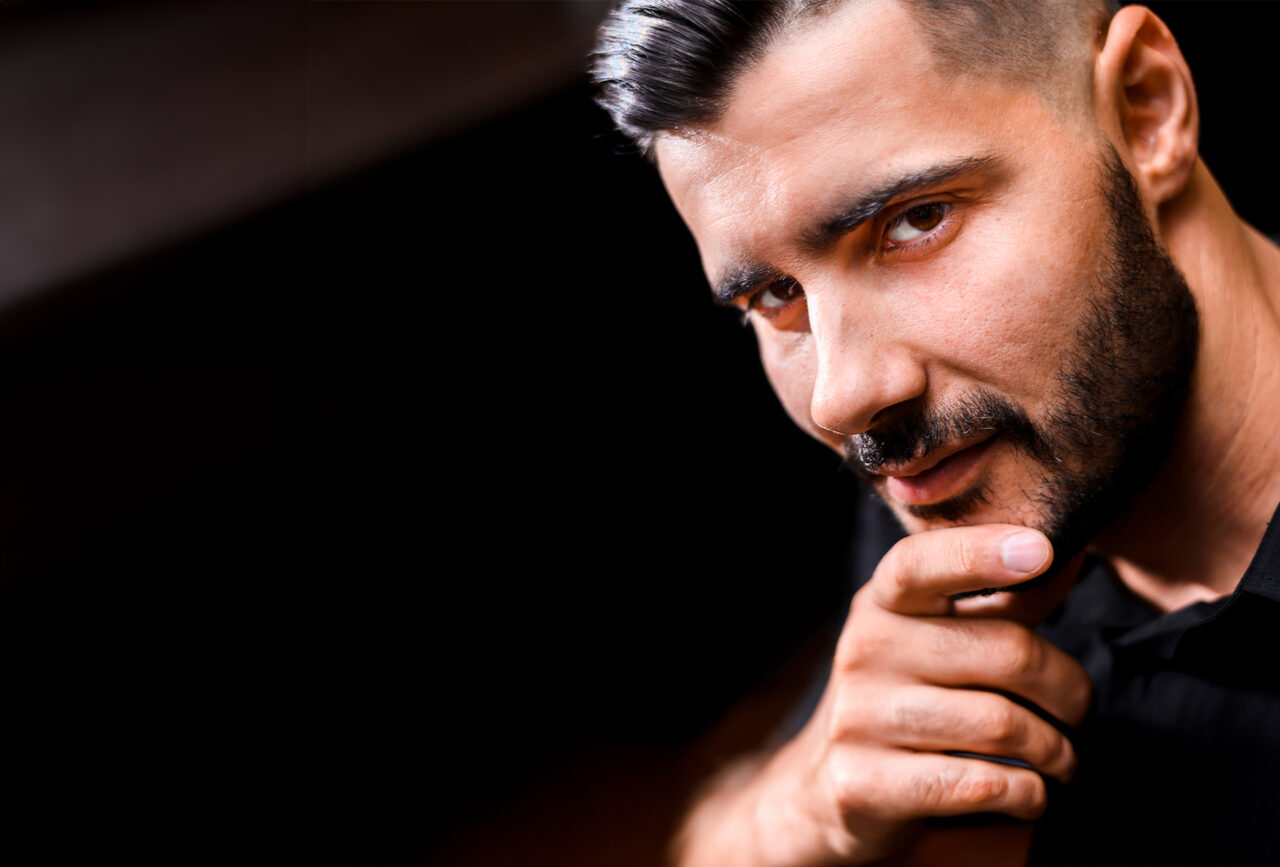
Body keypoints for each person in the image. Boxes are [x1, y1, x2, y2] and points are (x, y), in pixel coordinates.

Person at [592, 1, 1280, 864]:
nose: (843, 396)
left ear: (1147, 110)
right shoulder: (960, 463)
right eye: (775, 296)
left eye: (915, 221)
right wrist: (799, 807)